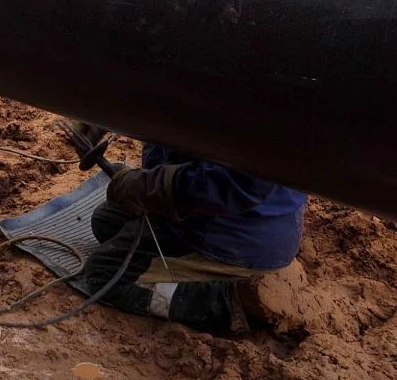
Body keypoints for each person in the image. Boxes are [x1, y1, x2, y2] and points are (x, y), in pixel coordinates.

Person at [83, 140, 308, 335]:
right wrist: (100, 115)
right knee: (106, 222)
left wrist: (150, 186)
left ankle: (230, 303)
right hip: (208, 209)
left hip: (239, 231)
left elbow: (236, 185)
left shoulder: (253, 109)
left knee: (106, 273)